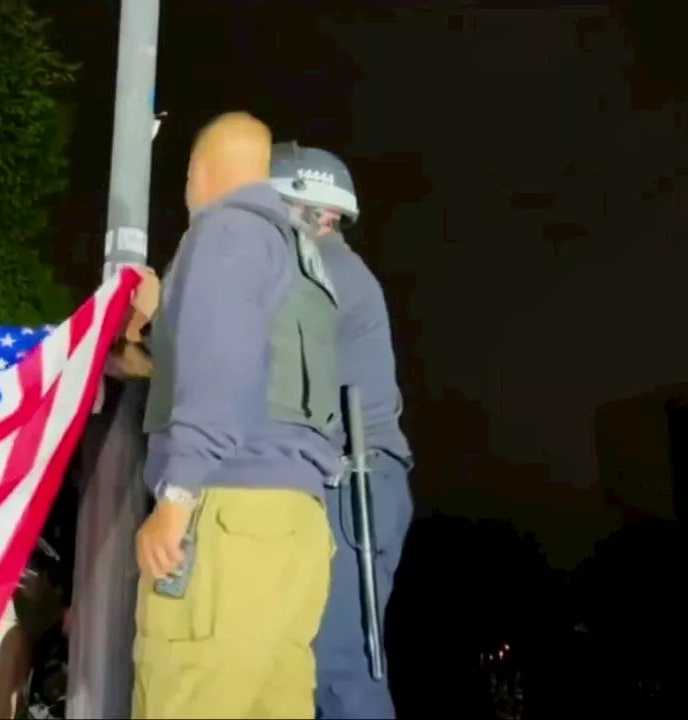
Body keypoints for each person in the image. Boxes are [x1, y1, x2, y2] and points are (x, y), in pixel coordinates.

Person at [129, 112, 344, 719]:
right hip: (295, 532)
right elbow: (257, 366)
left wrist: (176, 496)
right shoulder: (301, 254)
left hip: (228, 518)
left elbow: (219, 368)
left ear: (200, 172)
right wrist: (165, 317)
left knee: (186, 693)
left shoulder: (226, 230)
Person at [270, 143, 414, 719]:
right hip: (348, 478)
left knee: (339, 664)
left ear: (308, 209)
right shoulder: (319, 270)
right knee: (312, 662)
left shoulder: (323, 272)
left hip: (354, 482)